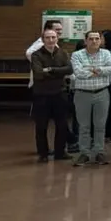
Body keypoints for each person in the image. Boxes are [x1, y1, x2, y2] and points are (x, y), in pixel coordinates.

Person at [70, 31, 111, 166]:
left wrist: (93, 70)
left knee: (100, 125)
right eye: (91, 39)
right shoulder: (77, 55)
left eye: (97, 39)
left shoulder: (106, 54)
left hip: (102, 93)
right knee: (84, 126)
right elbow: (78, 73)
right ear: (85, 41)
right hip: (82, 93)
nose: (94, 41)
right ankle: (85, 153)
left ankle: (99, 152)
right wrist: (99, 70)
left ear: (100, 41)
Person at [30, 27, 73, 163]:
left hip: (59, 94)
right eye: (47, 38)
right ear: (43, 40)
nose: (51, 40)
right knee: (41, 126)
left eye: (53, 37)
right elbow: (38, 73)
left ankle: (60, 152)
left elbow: (69, 69)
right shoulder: (36, 55)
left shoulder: (63, 53)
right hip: (41, 95)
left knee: (61, 125)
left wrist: (49, 70)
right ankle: (43, 154)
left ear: (57, 39)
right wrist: (58, 72)